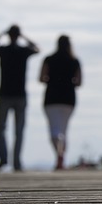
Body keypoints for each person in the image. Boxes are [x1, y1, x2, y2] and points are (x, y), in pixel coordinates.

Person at [0, 24, 39, 171]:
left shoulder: (4, 50)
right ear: (18, 35)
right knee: (19, 130)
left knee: (1, 129)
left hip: (5, 94)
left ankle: (4, 160)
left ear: (9, 35)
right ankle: (16, 162)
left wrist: (0, 34)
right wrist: (24, 37)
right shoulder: (23, 51)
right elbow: (36, 48)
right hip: (19, 95)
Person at [39, 35, 82, 170]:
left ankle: (59, 154)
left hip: (51, 97)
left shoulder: (49, 59)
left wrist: (52, 79)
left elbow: (41, 78)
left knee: (54, 130)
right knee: (64, 129)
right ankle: (61, 156)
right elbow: (79, 82)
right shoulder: (74, 61)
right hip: (68, 98)